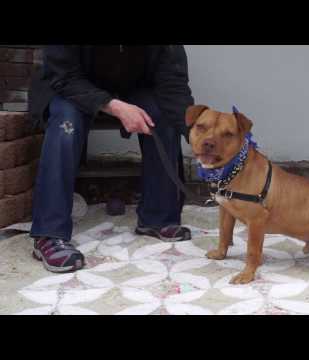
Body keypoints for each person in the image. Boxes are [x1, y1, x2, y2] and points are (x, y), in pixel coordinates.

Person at [28, 45, 194, 273]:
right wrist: (115, 106)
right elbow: (63, 75)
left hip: (132, 87)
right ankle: (49, 233)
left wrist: (196, 133)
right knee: (66, 123)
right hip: (70, 86)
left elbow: (172, 82)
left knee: (163, 113)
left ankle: (158, 217)